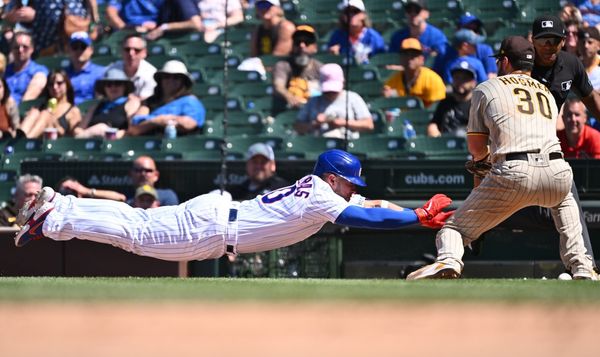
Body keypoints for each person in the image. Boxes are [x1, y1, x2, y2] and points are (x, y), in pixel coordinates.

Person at [14, 149, 454, 266]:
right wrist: (415, 218)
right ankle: (58, 213)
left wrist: (413, 210)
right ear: (333, 177)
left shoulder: (321, 191)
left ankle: (60, 209)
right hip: (214, 228)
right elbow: (365, 216)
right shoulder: (323, 193)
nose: (351, 189)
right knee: (137, 234)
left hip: (217, 224)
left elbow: (372, 203)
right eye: (349, 182)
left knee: (138, 227)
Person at [407, 36, 597, 280]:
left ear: (505, 61)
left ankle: (449, 260)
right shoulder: (548, 95)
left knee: (454, 229)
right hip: (557, 170)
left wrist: (482, 169)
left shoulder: (487, 88)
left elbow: (477, 148)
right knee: (563, 203)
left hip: (513, 170)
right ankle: (582, 267)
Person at [529, 14, 600, 272]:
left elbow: (591, 99)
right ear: (532, 41)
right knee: (483, 211)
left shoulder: (570, 64)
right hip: (513, 147)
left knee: (569, 200)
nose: (549, 45)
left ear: (562, 42)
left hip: (546, 148)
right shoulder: (520, 62)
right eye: (543, 40)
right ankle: (456, 249)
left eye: (555, 40)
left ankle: (585, 265)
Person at [294, 63, 374, 139]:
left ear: (343, 82)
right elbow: (298, 126)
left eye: (334, 91)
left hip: (347, 145)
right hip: (320, 144)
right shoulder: (313, 101)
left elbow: (369, 124)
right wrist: (315, 124)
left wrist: (344, 123)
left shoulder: (353, 98)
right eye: (328, 91)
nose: (330, 93)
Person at [128, 60, 205, 136]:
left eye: (176, 77)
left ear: (183, 81)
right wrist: (158, 121)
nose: (170, 80)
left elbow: (189, 124)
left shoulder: (190, 101)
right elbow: (134, 128)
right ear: (160, 80)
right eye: (166, 76)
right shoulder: (149, 101)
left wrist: (152, 122)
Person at [3, 0, 98, 55]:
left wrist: (95, 19)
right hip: (46, 35)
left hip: (74, 28)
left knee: (78, 51)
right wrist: (27, 14)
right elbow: (10, 13)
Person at [74, 68, 140, 139]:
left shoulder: (130, 103)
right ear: (104, 88)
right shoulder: (97, 105)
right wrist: (92, 132)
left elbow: (132, 129)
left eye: (117, 83)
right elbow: (79, 129)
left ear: (125, 86)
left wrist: (110, 133)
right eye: (109, 84)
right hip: (91, 143)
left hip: (118, 144)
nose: (113, 87)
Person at [272, 25, 322, 116]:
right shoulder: (283, 65)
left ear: (315, 47)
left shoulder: (321, 69)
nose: (302, 45)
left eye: (307, 42)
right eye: (297, 42)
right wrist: (290, 97)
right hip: (287, 112)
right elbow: (278, 86)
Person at [382, 38, 446, 108]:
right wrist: (387, 100)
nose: (409, 58)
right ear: (400, 58)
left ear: (422, 59)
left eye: (413, 55)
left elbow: (439, 109)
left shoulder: (433, 80)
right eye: (405, 54)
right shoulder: (392, 83)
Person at [18, 70, 82, 138]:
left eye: (59, 83)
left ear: (67, 85)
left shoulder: (73, 111)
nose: (55, 87)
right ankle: (19, 139)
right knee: (34, 112)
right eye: (51, 84)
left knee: (46, 114)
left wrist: (53, 122)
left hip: (58, 144)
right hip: (39, 143)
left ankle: (25, 142)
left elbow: (74, 137)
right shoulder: (42, 107)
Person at [427, 61, 477, 138]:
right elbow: (434, 124)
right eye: (457, 78)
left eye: (465, 79)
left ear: (473, 83)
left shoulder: (477, 104)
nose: (460, 82)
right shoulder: (445, 102)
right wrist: (434, 134)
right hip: (444, 143)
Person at [327, 0, 386, 64]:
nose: (351, 15)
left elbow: (382, 65)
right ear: (343, 16)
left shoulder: (374, 38)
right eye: (347, 12)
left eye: (355, 11)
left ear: (363, 15)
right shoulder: (337, 37)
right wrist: (334, 57)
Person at [105, 33, 157, 100]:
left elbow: (144, 101)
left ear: (144, 53)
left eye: (136, 50)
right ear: (121, 51)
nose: (131, 53)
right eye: (127, 49)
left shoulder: (151, 73)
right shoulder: (112, 69)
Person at [4, 31, 48, 104]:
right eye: (16, 47)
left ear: (32, 49)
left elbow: (27, 102)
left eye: (25, 47)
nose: (20, 50)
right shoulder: (4, 71)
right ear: (11, 49)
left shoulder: (39, 71)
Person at [65, 31, 107, 105]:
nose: (79, 51)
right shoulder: (64, 75)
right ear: (69, 50)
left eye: (83, 47)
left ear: (91, 50)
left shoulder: (101, 72)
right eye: (75, 47)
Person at [456, 13, 497, 79]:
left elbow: (492, 76)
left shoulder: (485, 50)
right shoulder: (447, 52)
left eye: (475, 29)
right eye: (468, 29)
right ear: (458, 30)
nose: (472, 32)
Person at [57, 176, 127, 201]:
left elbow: (121, 198)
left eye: (72, 188)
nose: (69, 192)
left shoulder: (90, 202)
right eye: (65, 190)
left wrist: (85, 191)